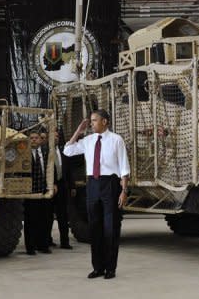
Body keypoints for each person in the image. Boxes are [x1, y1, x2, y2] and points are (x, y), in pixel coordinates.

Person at [63, 109, 130, 280]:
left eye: (94, 120)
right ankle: (97, 267)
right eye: (91, 121)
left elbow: (124, 168)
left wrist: (123, 191)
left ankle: (110, 268)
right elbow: (67, 151)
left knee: (111, 228)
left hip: (111, 185)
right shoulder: (88, 140)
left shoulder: (116, 140)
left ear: (105, 121)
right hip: (92, 184)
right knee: (95, 228)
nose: (91, 124)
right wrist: (78, 130)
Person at [24, 131, 52, 255]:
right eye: (32, 138)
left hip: (43, 191)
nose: (34, 140)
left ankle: (43, 245)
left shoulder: (45, 153)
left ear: (40, 140)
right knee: (30, 220)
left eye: (36, 138)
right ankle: (30, 247)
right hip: (30, 192)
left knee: (44, 219)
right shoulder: (24, 154)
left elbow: (50, 170)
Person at [48, 130, 72, 249]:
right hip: (50, 186)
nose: (56, 138)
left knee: (63, 215)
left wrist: (72, 186)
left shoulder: (63, 151)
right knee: (48, 215)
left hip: (62, 186)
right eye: (54, 136)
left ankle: (65, 242)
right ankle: (47, 240)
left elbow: (68, 171)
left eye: (57, 136)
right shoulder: (46, 151)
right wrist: (51, 183)